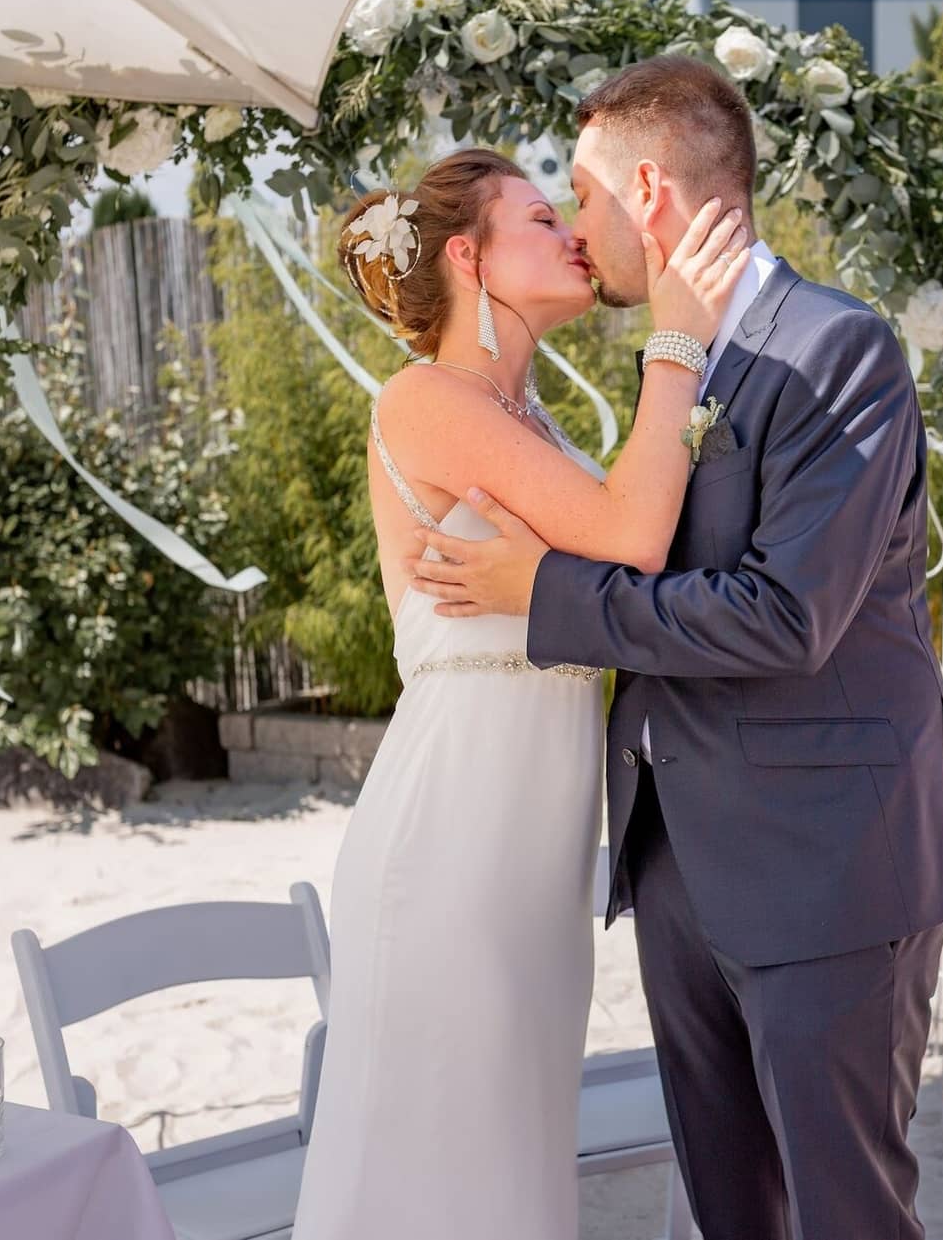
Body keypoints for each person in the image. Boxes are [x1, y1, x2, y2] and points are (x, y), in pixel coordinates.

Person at [404, 56, 943, 1240]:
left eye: (581, 190)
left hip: (829, 875)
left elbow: (784, 617)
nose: (573, 223)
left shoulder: (839, 351)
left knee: (849, 1218)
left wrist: (548, 591)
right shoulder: (669, 368)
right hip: (680, 872)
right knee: (734, 1217)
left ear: (652, 191)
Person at [289, 145, 749, 1238]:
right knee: (434, 1161)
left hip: (535, 855)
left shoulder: (532, 425)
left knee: (512, 1155)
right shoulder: (424, 402)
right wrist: (677, 334)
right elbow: (634, 537)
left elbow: (642, 542)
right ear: (469, 255)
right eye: (542, 219)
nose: (573, 237)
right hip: (449, 843)